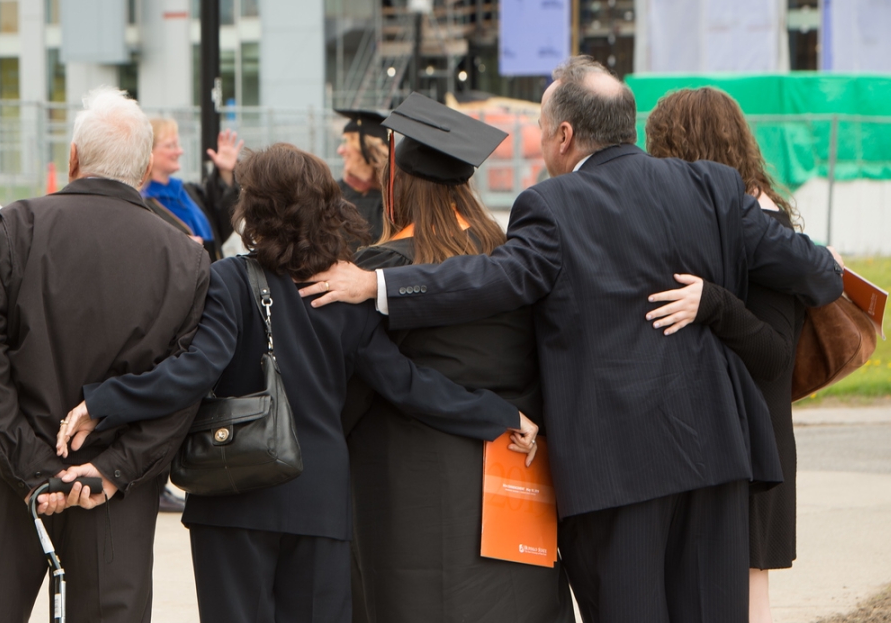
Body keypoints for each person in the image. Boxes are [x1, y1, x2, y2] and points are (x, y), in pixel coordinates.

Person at [301, 57, 846, 623]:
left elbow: (495, 280)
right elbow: (819, 273)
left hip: (615, 469)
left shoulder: (551, 206)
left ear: (565, 135)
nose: (539, 143)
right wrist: (715, 300)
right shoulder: (712, 185)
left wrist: (378, 283)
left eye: (540, 129)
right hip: (715, 455)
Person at [53, 143, 538, 623]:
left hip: (233, 498)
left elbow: (194, 371)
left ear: (255, 210)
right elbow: (408, 384)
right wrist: (499, 414)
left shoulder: (229, 280)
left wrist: (103, 402)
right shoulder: (347, 292)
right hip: (321, 506)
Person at [0, 87, 210, 623]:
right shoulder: (186, 258)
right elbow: (183, 386)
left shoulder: (12, 228)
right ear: (143, 174)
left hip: (7, 481)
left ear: (72, 159)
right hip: (113, 493)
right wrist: (110, 469)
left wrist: (34, 468)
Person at [344, 118, 575, 622]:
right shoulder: (508, 260)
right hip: (514, 461)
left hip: (408, 472)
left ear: (397, 183)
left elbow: (360, 382)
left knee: (415, 598)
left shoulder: (381, 269)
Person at [641, 87, 807, 623]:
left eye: (659, 147)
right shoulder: (689, 227)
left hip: (754, 450)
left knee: (743, 598)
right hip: (702, 440)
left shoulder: (768, 230)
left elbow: (775, 354)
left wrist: (712, 302)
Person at [143, 117, 243, 260]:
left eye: (178, 144)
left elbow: (220, 219)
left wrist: (225, 172)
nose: (179, 151)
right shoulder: (144, 205)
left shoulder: (186, 192)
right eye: (171, 145)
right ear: (149, 151)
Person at [335, 109, 390, 240]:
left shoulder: (395, 198)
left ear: (367, 148)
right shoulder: (334, 195)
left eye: (346, 142)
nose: (340, 150)